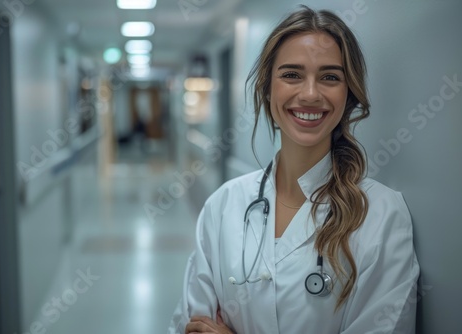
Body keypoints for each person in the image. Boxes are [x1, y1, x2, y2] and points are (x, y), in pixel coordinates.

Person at [168, 6, 420, 334]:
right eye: (292, 75)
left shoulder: (382, 215)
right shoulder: (224, 205)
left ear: (349, 94)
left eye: (330, 77)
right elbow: (190, 327)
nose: (311, 94)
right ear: (268, 87)